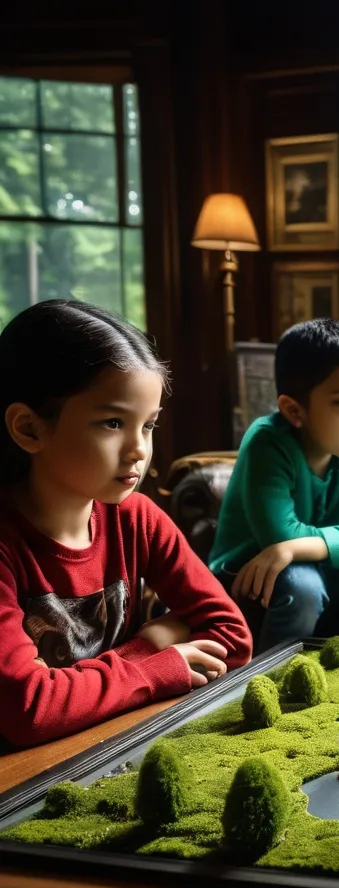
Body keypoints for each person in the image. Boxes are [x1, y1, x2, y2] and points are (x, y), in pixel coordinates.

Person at [0, 300, 252, 751]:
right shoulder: (7, 546)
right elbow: (28, 710)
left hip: (118, 742)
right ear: (29, 429)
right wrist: (157, 655)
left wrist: (127, 659)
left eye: (150, 424)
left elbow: (232, 636)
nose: (139, 449)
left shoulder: (137, 518)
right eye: (114, 422)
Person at [208, 319, 339, 654]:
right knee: (303, 583)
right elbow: (281, 538)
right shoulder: (267, 443)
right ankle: (272, 684)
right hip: (254, 578)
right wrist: (288, 548)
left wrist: (293, 548)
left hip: (311, 564)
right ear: (294, 410)